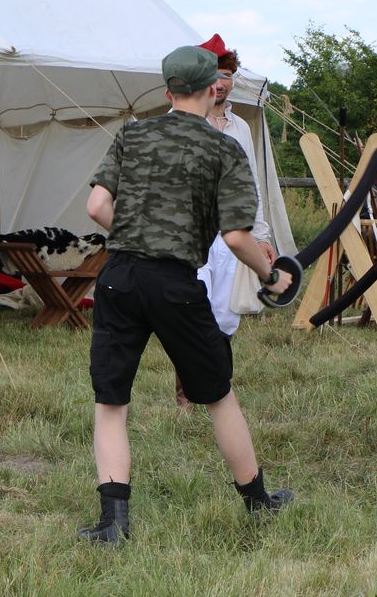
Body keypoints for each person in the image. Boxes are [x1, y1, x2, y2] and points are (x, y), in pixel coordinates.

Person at [78, 45, 294, 544]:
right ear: (211, 87)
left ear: (168, 88)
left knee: (111, 401)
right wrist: (270, 275)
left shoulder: (133, 132)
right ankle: (258, 502)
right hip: (175, 283)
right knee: (217, 393)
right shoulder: (223, 148)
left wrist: (135, 232)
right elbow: (239, 236)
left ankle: (113, 523)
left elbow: (96, 206)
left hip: (120, 276)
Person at [172, 34, 275, 411]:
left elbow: (251, 185)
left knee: (226, 314)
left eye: (228, 74)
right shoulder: (176, 122)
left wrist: (260, 234)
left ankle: (217, 392)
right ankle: (185, 398)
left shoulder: (240, 128)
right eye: (215, 74)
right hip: (189, 232)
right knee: (191, 310)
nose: (221, 82)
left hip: (231, 231)